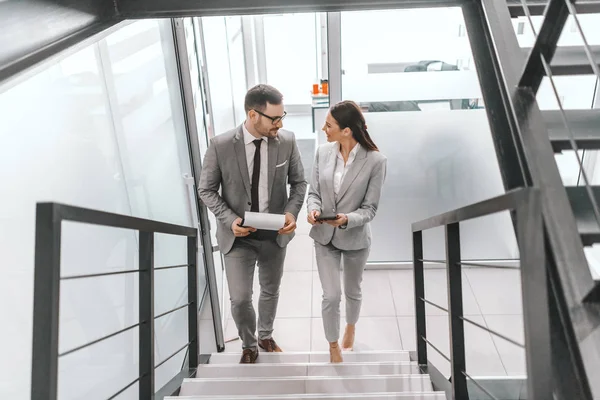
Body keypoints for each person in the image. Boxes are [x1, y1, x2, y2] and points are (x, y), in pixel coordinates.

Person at [198, 84, 307, 364]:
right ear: (253, 114)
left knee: (270, 289)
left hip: (274, 235)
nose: (280, 124)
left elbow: (299, 183)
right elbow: (206, 190)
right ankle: (248, 344)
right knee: (239, 299)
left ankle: (265, 335)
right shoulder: (221, 145)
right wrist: (230, 219)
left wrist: (292, 214)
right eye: (275, 118)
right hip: (238, 237)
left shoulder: (287, 140)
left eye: (283, 117)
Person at [306, 100, 387, 363]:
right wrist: (314, 210)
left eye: (329, 125)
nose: (323, 129)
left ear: (347, 131)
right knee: (331, 296)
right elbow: (314, 192)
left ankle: (351, 326)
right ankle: (332, 345)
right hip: (324, 238)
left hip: (355, 238)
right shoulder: (322, 152)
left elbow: (370, 209)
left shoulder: (375, 161)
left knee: (352, 291)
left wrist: (345, 220)